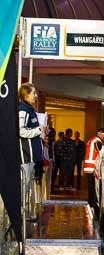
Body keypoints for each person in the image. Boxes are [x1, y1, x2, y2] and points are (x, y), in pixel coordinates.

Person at [18, 83, 46, 221]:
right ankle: (20, 216)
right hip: (26, 156)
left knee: (28, 187)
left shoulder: (30, 110)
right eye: (33, 93)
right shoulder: (23, 110)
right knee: (24, 186)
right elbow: (20, 131)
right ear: (26, 95)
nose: (36, 95)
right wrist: (38, 130)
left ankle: (25, 214)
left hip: (33, 155)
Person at [84, 128, 104, 207]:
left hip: (88, 166)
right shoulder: (97, 141)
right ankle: (92, 204)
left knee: (91, 187)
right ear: (101, 133)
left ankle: (90, 203)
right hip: (93, 167)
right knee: (94, 187)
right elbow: (101, 152)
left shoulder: (91, 140)